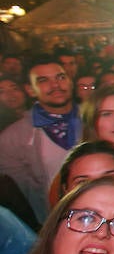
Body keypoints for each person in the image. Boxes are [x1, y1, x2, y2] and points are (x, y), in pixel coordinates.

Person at [0, 55, 82, 221]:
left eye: (60, 77)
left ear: (71, 81)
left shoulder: (96, 119)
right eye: (43, 80)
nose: (55, 85)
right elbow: (23, 198)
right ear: (30, 90)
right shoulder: (13, 138)